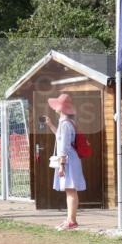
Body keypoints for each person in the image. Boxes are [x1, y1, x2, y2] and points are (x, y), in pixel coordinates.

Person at [43, 93, 86, 231]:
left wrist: (61, 165)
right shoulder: (67, 123)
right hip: (71, 158)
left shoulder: (65, 124)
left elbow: (64, 146)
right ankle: (70, 219)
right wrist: (50, 125)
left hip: (68, 159)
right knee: (70, 189)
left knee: (70, 189)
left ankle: (72, 220)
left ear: (60, 108)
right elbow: (61, 138)